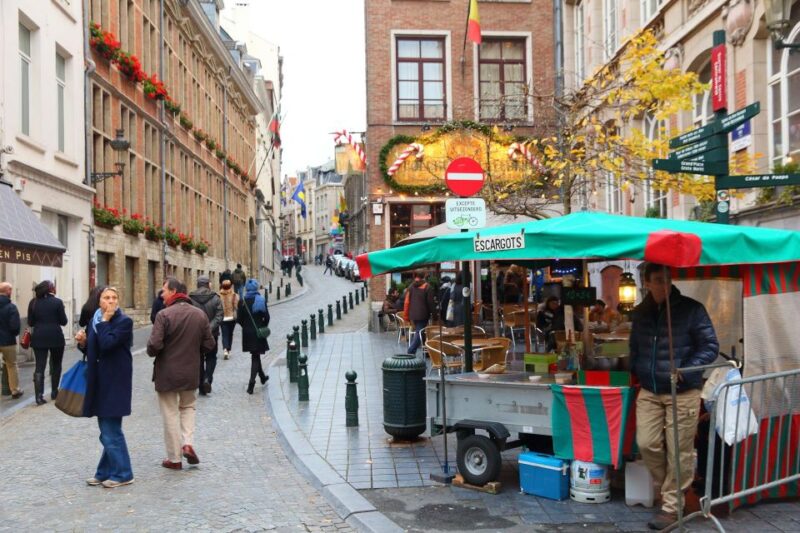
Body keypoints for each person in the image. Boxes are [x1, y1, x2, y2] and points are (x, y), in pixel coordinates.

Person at [629, 262, 719, 530]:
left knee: (679, 450)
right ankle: (672, 487)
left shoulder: (692, 309)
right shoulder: (640, 313)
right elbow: (635, 347)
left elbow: (710, 345)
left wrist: (686, 368)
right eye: (658, 280)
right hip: (650, 389)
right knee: (646, 444)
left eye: (667, 279)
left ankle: (671, 506)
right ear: (647, 283)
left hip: (683, 390)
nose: (664, 285)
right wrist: (637, 368)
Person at [147, 278, 215, 470]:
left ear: (174, 291)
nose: (162, 294)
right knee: (188, 407)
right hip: (190, 372)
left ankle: (175, 458)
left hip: (167, 373)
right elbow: (209, 344)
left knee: (170, 412)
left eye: (164, 290)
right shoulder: (199, 315)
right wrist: (193, 350)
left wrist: (156, 350)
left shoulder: (163, 315)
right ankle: (187, 443)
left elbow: (154, 345)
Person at [76, 287, 135, 488]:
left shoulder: (123, 322)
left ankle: (123, 473)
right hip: (99, 379)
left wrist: (105, 321)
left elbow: (108, 343)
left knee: (110, 429)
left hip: (115, 380)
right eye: (106, 297)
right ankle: (104, 472)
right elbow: (96, 348)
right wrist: (83, 343)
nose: (110, 301)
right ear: (99, 301)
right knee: (107, 428)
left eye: (114, 297)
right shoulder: (95, 321)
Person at [28, 280, 68, 405]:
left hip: (39, 336)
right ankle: (54, 392)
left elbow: (30, 322)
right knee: (56, 364)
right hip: (55, 337)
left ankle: (39, 397)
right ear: (51, 289)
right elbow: (64, 321)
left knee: (39, 366)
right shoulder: (57, 302)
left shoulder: (33, 302)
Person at [189, 276, 224, 395]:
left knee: (198, 358)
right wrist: (209, 328)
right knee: (211, 357)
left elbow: (189, 316)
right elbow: (219, 316)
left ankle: (201, 385)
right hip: (212, 334)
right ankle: (207, 379)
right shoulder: (215, 298)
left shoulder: (190, 299)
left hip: (196, 334)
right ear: (208, 284)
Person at [237, 279, 270, 394]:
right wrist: (263, 326)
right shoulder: (260, 299)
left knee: (256, 354)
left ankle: (262, 377)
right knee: (255, 356)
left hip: (247, 332)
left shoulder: (242, 301)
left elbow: (239, 319)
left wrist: (246, 326)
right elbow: (267, 317)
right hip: (258, 331)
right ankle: (251, 384)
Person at [0, 282, 24, 399]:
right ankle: (15, 390)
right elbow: (15, 327)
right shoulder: (11, 307)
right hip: (8, 341)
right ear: (8, 291)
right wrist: (12, 334)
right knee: (11, 365)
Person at [404, 272, 435, 355]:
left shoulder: (410, 287)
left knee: (420, 331)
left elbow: (406, 302)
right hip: (423, 314)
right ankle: (411, 351)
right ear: (424, 276)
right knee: (419, 332)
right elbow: (431, 303)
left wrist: (406, 315)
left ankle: (426, 352)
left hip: (412, 314)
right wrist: (435, 315)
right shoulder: (427, 287)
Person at [219, 279, 239, 360]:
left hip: (222, 318)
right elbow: (236, 306)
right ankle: (228, 349)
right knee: (230, 334)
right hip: (231, 318)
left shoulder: (219, 295)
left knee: (224, 334)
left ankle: (225, 349)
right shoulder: (234, 295)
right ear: (230, 286)